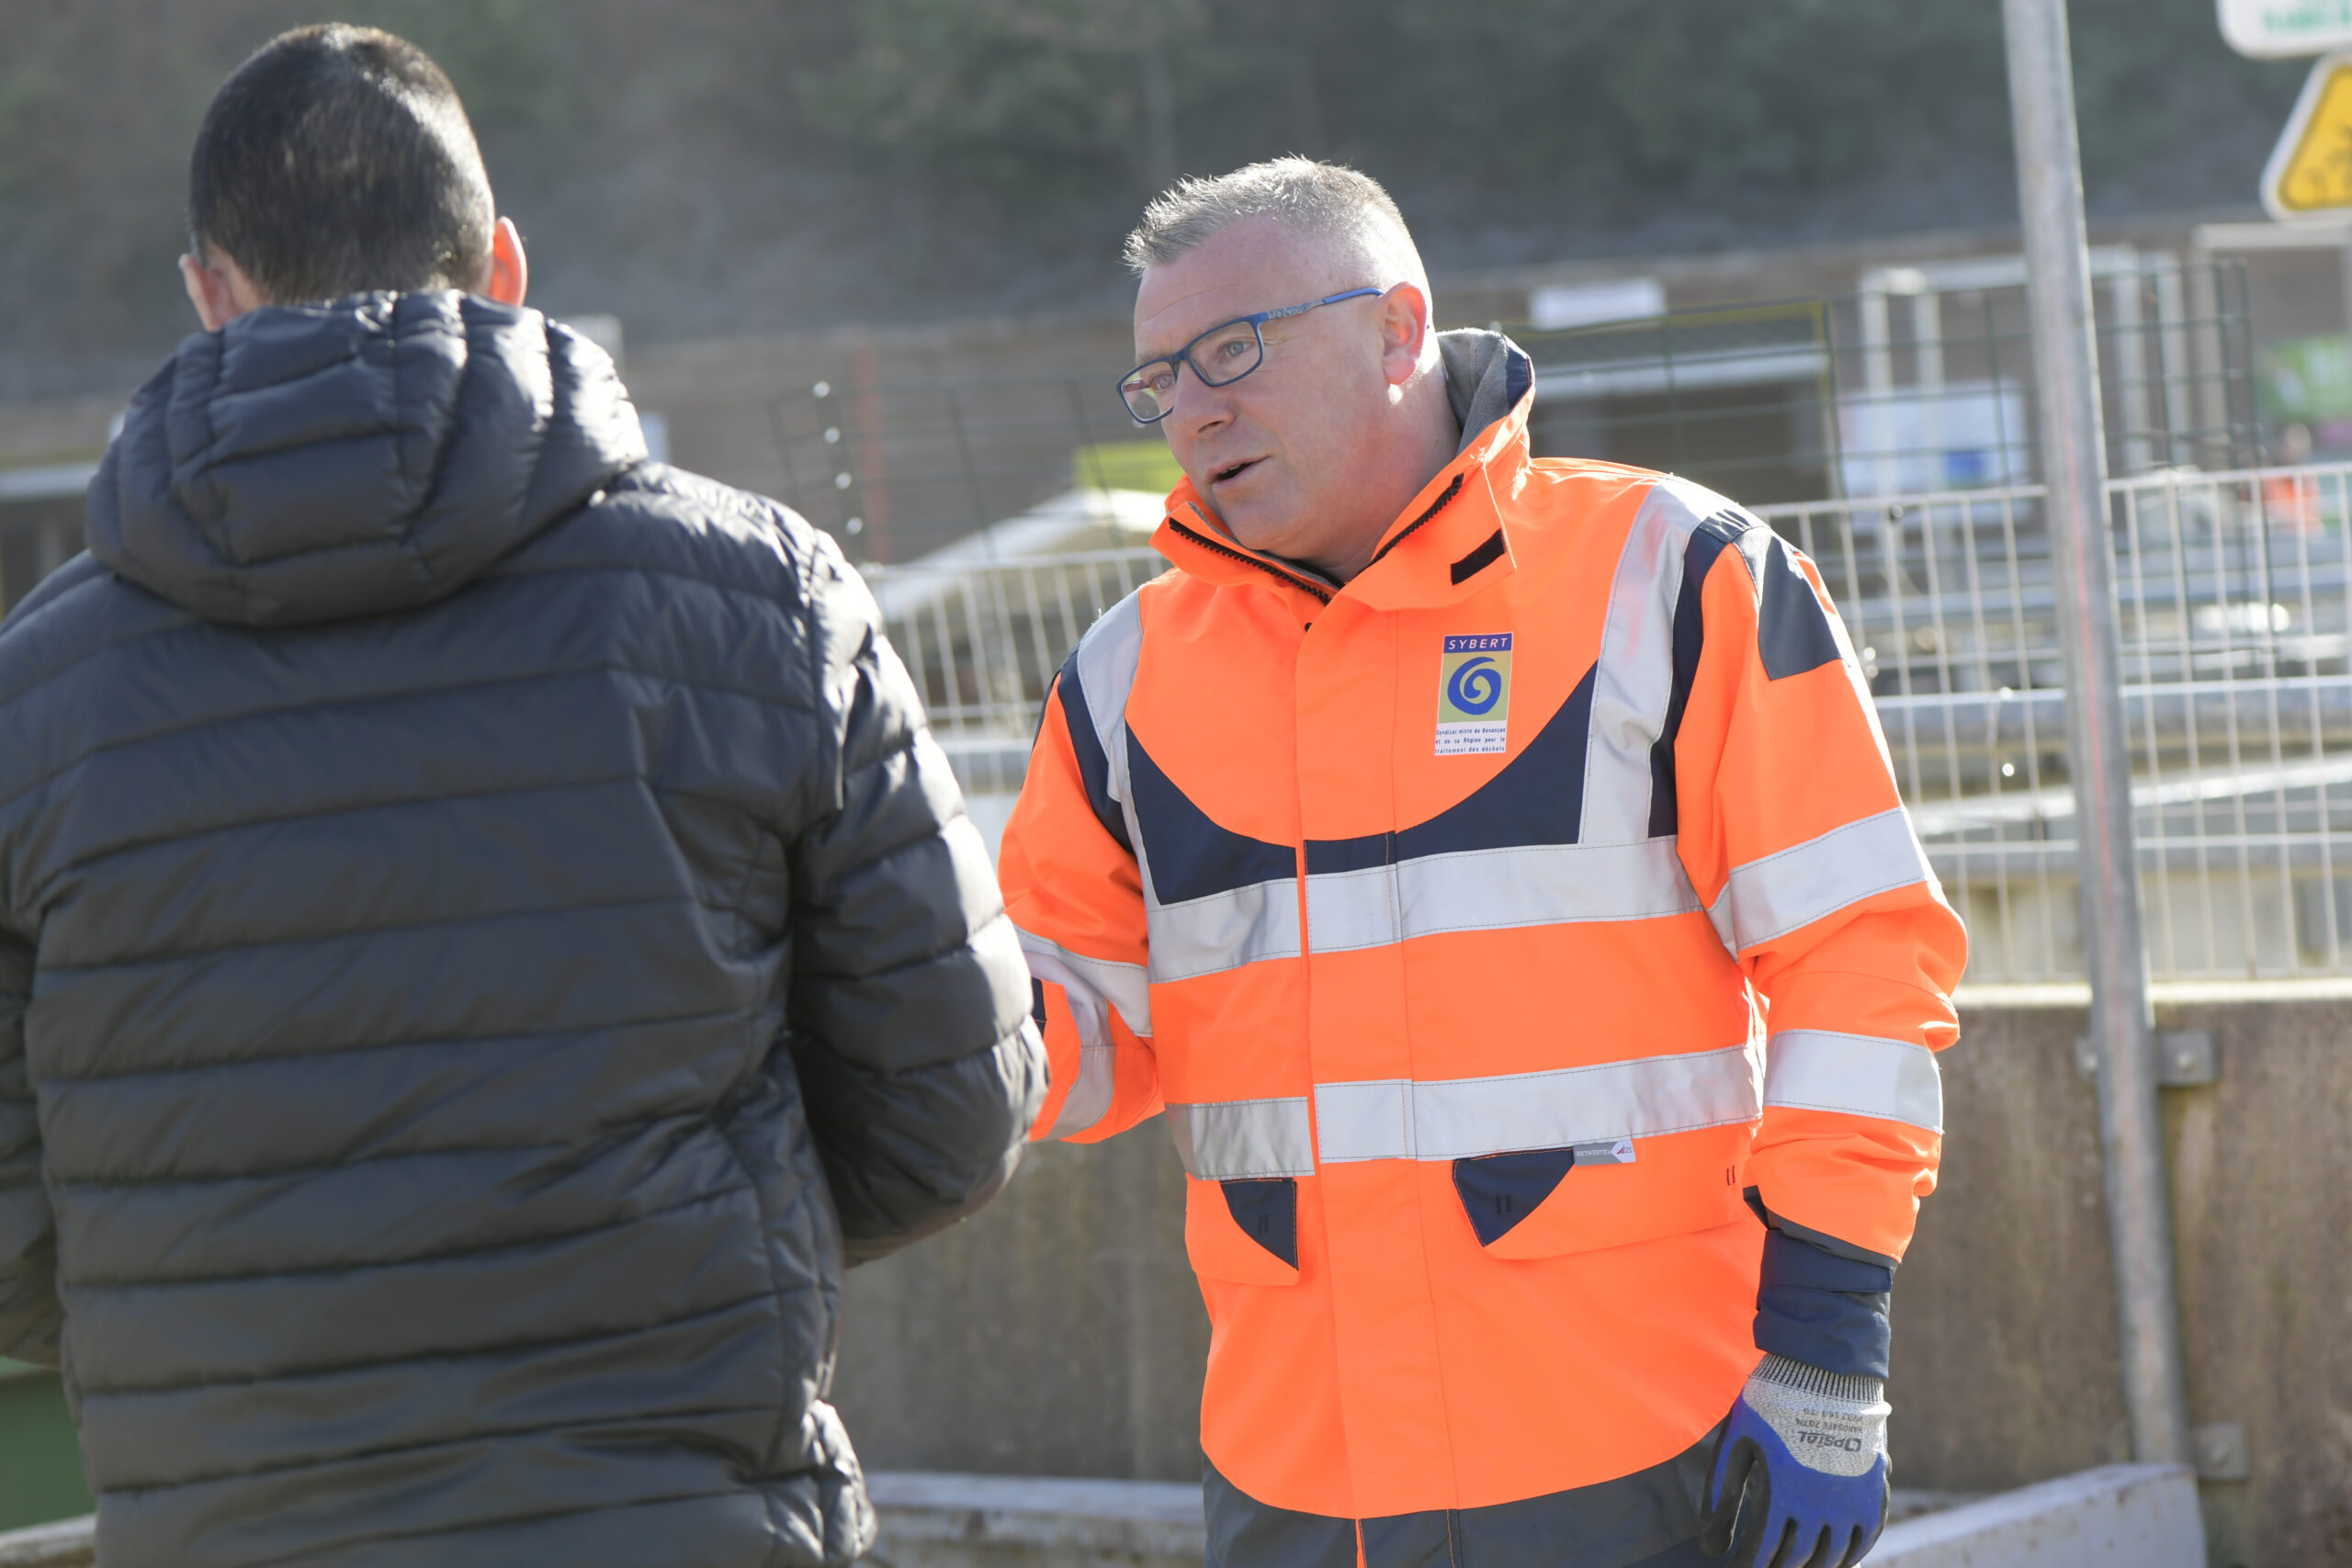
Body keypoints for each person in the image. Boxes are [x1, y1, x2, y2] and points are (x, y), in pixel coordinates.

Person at [0, 25, 1045, 1568]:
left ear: (209, 290)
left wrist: (203, 1292)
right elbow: (951, 1109)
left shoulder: (38, 695)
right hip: (683, 1513)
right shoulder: (762, 601)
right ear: (504, 265)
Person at [998, 158, 1966, 1568]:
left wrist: (1827, 1353)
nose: (1194, 406)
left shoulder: (1675, 574)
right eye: (1159, 380)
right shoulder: (1123, 678)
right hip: (1297, 1477)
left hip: (1640, 1448)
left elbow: (1861, 964)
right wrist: (897, 996)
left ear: (1397, 330)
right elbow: (1085, 1045)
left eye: (1231, 350)